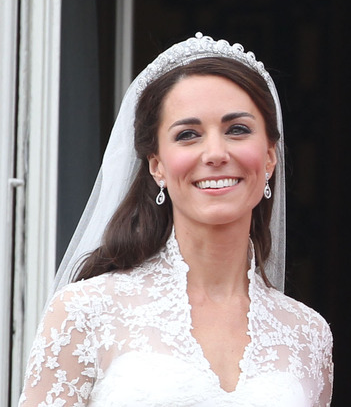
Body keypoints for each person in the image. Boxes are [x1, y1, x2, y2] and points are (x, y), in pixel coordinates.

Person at [19, 33, 333, 406]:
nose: (215, 153)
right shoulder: (85, 310)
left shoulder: (308, 334)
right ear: (157, 166)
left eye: (237, 130)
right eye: (188, 135)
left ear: (269, 158)